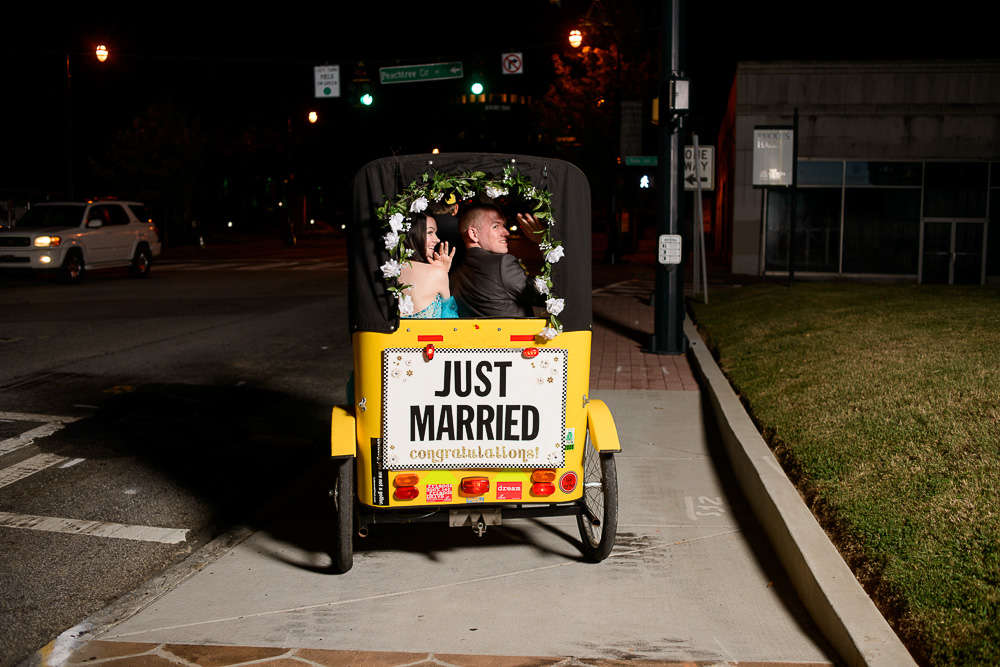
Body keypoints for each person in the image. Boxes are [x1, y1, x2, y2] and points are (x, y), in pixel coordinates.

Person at [450, 204, 545, 318]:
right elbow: (547, 298)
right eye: (496, 226)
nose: (506, 232)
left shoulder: (455, 272)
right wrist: (545, 242)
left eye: (504, 225)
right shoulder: (503, 264)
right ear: (474, 234)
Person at [398, 212, 459, 319]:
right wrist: (442, 272)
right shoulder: (437, 273)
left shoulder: (389, 269)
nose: (437, 239)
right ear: (412, 234)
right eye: (430, 232)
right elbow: (449, 321)